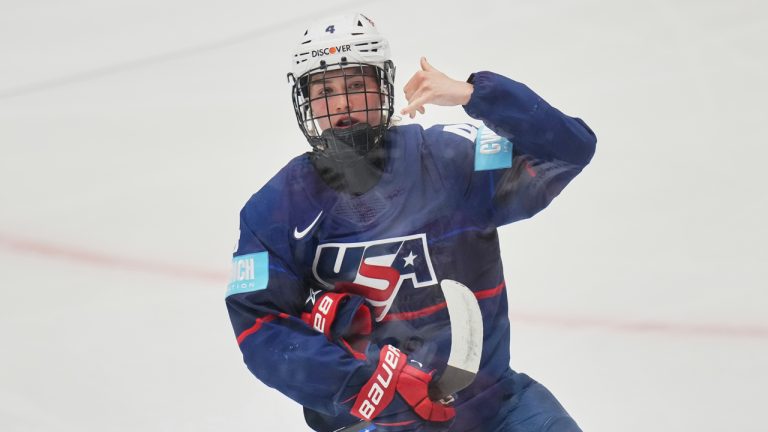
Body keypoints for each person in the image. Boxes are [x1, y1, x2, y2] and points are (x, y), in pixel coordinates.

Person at [225, 12, 596, 432]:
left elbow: (568, 151)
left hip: (494, 407)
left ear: (383, 87)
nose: (342, 103)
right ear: (305, 102)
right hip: (377, 421)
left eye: (355, 85)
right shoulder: (275, 208)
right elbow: (258, 323)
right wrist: (363, 386)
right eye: (324, 91)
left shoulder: (449, 159)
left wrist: (476, 94)